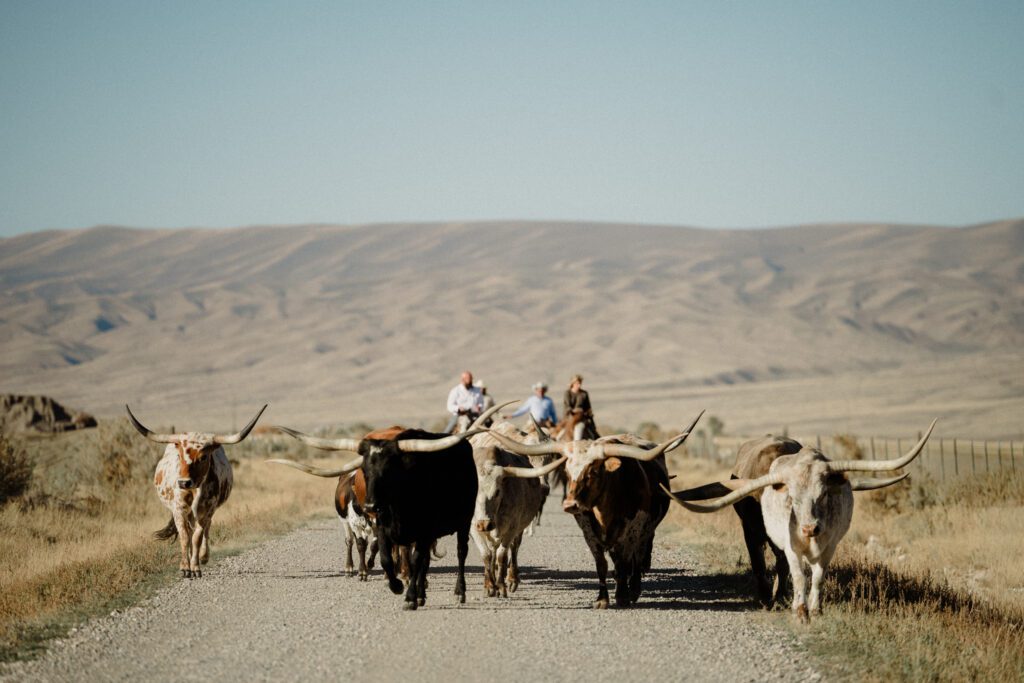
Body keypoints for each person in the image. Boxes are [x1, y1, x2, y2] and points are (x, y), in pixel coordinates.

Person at [563, 373, 598, 440]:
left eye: (580, 383)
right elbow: (567, 406)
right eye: (577, 383)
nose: (579, 385)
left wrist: (588, 414)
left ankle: (577, 442)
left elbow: (588, 407)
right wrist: (573, 411)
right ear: (573, 383)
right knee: (558, 434)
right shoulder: (567, 393)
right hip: (570, 417)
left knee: (580, 427)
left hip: (582, 418)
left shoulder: (584, 393)